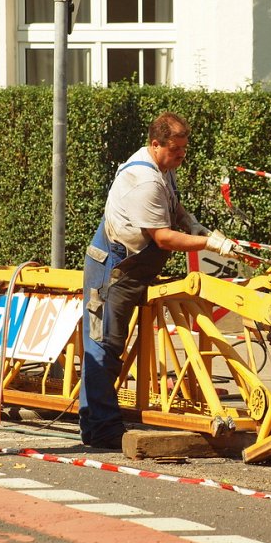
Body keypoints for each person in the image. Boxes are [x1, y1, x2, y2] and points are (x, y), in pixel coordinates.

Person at [79, 112, 237, 450]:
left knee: (107, 347)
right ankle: (101, 428)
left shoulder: (161, 170)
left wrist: (193, 224)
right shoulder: (145, 180)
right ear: (156, 144)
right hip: (114, 268)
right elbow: (163, 238)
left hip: (131, 265)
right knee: (103, 348)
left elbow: (173, 209)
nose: (182, 155)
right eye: (176, 149)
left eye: (184, 148)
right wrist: (210, 243)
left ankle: (95, 425)